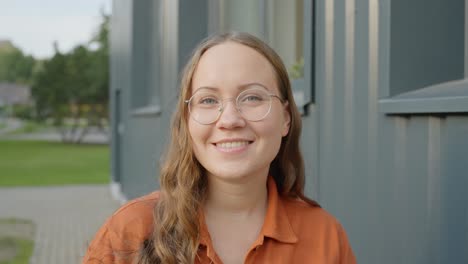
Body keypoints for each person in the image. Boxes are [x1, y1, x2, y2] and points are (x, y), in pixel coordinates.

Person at [83, 32, 357, 264]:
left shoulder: (325, 237)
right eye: (208, 100)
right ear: (187, 121)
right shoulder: (130, 231)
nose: (230, 120)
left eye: (252, 97)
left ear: (285, 118)